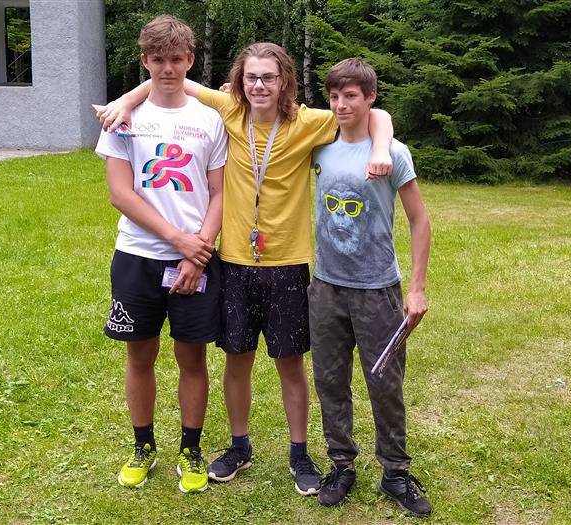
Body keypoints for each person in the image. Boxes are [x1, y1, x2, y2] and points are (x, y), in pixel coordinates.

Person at [97, 42, 393, 496]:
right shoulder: (228, 111)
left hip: (288, 263)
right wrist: (124, 100)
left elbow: (374, 113)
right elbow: (170, 80)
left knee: (290, 363)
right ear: (240, 81)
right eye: (251, 77)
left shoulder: (308, 122)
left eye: (269, 77)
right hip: (235, 262)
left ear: (285, 81)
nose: (259, 85)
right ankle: (239, 446)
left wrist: (383, 147)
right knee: (237, 360)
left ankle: (299, 452)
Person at [94, 15, 227, 494]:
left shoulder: (209, 119)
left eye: (175, 59)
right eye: (157, 60)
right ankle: (143, 446)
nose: (167, 69)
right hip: (137, 256)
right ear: (144, 60)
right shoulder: (123, 118)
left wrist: (196, 253)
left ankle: (191, 450)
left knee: (192, 358)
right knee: (140, 356)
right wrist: (178, 240)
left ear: (190, 60)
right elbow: (120, 193)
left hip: (195, 260)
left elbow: (219, 194)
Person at [308, 58, 433, 517]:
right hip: (326, 286)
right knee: (329, 379)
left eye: (351, 96)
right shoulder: (319, 146)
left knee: (385, 383)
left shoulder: (393, 152)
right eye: (334, 96)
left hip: (378, 289)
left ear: (370, 98)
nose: (341, 105)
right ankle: (341, 465)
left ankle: (395, 472)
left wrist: (416, 289)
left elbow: (420, 221)